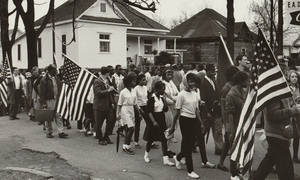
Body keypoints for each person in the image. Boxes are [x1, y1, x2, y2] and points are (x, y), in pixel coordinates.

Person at [253, 63, 300, 180]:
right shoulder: (274, 93)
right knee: (286, 171)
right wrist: (291, 111)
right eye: (285, 75)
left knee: (268, 163)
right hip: (277, 135)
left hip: (279, 133)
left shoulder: (280, 91)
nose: (287, 78)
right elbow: (271, 114)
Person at [170, 72, 203, 179]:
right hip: (184, 120)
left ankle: (178, 157)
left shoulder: (194, 93)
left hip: (193, 120)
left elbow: (197, 110)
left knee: (191, 143)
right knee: (188, 145)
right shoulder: (181, 95)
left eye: (193, 81)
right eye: (190, 81)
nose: (192, 83)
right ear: (185, 82)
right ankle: (190, 170)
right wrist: (172, 127)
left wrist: (201, 122)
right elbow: (177, 112)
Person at [143, 81, 175, 166]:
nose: (163, 91)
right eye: (162, 89)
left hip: (161, 119)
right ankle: (146, 155)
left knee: (164, 139)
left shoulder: (161, 98)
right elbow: (149, 112)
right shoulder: (151, 99)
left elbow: (165, 109)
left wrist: (164, 100)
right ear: (157, 89)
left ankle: (166, 159)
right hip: (154, 119)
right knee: (151, 139)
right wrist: (153, 121)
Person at [225, 71, 249, 180]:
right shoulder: (231, 94)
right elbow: (230, 114)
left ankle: (238, 170)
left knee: (240, 149)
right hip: (234, 126)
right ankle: (233, 173)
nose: (248, 82)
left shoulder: (242, 92)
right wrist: (232, 131)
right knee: (233, 149)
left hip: (241, 125)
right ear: (241, 81)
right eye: (246, 80)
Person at [217, 66, 239, 172]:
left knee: (227, 142)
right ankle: (233, 167)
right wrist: (226, 123)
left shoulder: (234, 86)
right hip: (229, 119)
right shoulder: (226, 88)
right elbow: (223, 107)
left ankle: (221, 163)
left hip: (235, 118)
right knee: (231, 141)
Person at [200, 64, 223, 155]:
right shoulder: (203, 82)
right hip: (208, 111)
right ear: (207, 71)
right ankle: (194, 144)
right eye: (211, 71)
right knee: (204, 130)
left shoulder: (214, 81)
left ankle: (219, 148)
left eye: (214, 71)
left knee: (218, 130)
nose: (213, 73)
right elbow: (203, 99)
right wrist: (206, 113)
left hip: (216, 110)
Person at [116, 73, 143, 155]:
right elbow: (119, 104)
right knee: (131, 128)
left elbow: (135, 104)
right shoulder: (123, 92)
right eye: (133, 81)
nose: (135, 83)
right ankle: (127, 146)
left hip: (131, 110)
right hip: (124, 110)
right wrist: (117, 114)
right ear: (128, 82)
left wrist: (139, 113)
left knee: (128, 129)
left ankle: (125, 146)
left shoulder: (134, 91)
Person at [39, 64, 68, 139]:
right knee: (48, 116)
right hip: (49, 99)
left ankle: (61, 131)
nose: (56, 70)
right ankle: (48, 131)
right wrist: (44, 103)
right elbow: (42, 92)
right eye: (54, 69)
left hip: (57, 99)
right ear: (50, 70)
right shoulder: (44, 79)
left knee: (58, 115)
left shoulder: (56, 77)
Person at [93, 66, 115, 145]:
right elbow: (97, 92)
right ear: (107, 73)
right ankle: (100, 138)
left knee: (111, 120)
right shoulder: (97, 81)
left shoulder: (107, 81)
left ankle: (106, 136)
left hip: (108, 105)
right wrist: (108, 90)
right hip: (99, 106)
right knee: (99, 124)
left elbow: (110, 94)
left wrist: (112, 102)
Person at [162, 68, 179, 150]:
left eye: (170, 74)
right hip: (167, 105)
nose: (169, 76)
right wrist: (172, 99)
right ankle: (168, 135)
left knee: (174, 121)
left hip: (174, 104)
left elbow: (176, 92)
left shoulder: (172, 82)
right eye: (167, 74)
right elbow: (165, 96)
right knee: (169, 121)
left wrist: (176, 98)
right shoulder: (163, 83)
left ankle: (172, 135)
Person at [287, 70, 300, 164]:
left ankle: (295, 156)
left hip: (299, 115)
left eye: (296, 76)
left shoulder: (299, 88)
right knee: (287, 135)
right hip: (290, 113)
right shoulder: (286, 88)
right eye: (292, 77)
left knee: (297, 136)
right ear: (289, 78)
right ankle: (286, 156)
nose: (294, 78)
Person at [133, 74, 148, 149]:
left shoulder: (145, 88)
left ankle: (149, 140)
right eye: (143, 80)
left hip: (145, 107)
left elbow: (146, 98)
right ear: (139, 81)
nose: (145, 81)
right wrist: (139, 110)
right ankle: (136, 142)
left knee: (149, 123)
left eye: (145, 80)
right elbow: (135, 101)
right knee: (137, 125)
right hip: (138, 108)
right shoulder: (136, 88)